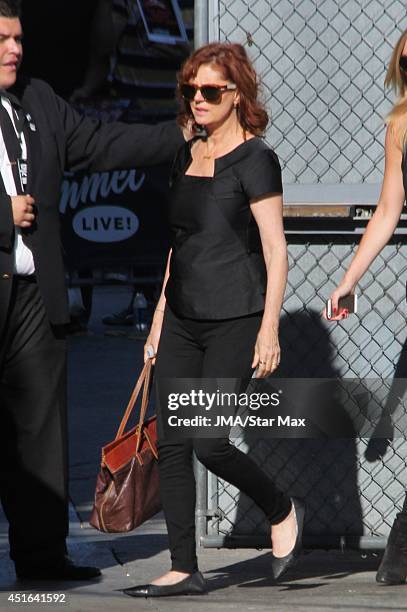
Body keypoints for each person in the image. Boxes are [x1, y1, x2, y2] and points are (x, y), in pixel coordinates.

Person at [0, 0, 186, 581]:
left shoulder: (39, 102)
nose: (15, 49)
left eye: (19, 38)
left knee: (41, 431)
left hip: (34, 294)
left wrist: (181, 134)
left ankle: (41, 558)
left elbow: (102, 144)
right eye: (3, 39)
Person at [123, 41, 305, 599]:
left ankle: (279, 507)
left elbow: (276, 250)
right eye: (190, 90)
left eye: (210, 91)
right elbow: (179, 246)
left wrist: (269, 327)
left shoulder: (256, 159)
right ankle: (184, 566)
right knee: (173, 442)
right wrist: (157, 320)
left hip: (236, 318)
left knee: (208, 441)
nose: (197, 99)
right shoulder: (186, 154)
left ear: (236, 95)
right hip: (180, 317)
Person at [323, 30, 407, 585]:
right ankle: (401, 547)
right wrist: (350, 279)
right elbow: (385, 210)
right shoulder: (401, 124)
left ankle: (401, 547)